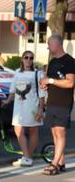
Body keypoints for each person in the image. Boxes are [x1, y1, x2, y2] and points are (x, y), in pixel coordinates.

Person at [1, 51, 45, 167]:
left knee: (33, 131)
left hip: (33, 107)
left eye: (31, 58)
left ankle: (27, 158)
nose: (28, 60)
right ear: (22, 59)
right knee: (18, 130)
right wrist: (7, 101)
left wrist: (41, 109)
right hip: (19, 108)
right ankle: (27, 157)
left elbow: (42, 93)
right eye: (26, 57)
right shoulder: (17, 73)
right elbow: (12, 90)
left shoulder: (38, 74)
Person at [40, 34, 75, 175]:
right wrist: (45, 85)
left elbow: (70, 82)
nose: (48, 47)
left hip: (63, 102)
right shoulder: (52, 61)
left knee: (60, 132)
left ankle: (54, 163)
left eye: (49, 44)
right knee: (54, 132)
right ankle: (61, 161)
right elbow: (50, 81)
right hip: (52, 101)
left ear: (58, 44)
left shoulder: (70, 61)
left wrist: (51, 81)